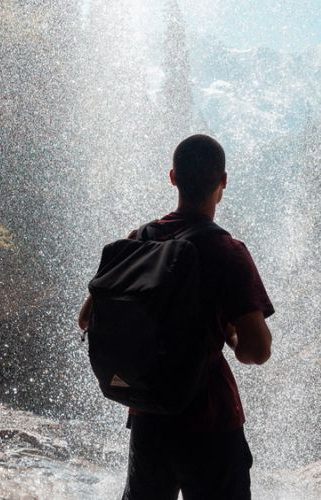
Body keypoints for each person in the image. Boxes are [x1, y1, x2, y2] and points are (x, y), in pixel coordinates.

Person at [78, 134, 274, 500]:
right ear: (223, 182)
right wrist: (230, 335)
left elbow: (86, 318)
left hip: (148, 415)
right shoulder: (228, 251)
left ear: (173, 177)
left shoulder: (140, 238)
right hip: (211, 420)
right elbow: (257, 350)